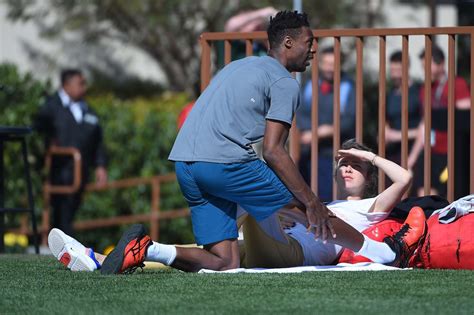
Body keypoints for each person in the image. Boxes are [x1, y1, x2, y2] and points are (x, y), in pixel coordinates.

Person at [48, 11, 424, 274]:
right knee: (305, 210)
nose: (313, 50)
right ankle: (385, 254)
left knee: (225, 261)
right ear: (288, 43)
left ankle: (148, 249)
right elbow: (275, 151)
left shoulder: (240, 65)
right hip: (224, 163)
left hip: (185, 164)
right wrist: (309, 200)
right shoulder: (284, 81)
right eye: (309, 43)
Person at [47, 139, 425, 271]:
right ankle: (109, 257)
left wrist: (368, 155)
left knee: (259, 194)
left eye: (354, 166)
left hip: (292, 252)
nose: (346, 169)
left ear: (370, 176)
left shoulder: (371, 206)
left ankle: (226, 173)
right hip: (272, 241)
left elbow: (405, 179)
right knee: (209, 255)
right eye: (343, 163)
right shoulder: (327, 202)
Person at [34, 69, 107, 236]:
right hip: (58, 173)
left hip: (80, 172)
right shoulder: (50, 107)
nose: (84, 88)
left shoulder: (87, 110)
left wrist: (100, 165)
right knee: (60, 214)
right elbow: (39, 133)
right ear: (67, 85)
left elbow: (98, 141)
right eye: (80, 83)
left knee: (70, 213)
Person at [407, 45, 471, 196]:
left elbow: (466, 118)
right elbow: (425, 124)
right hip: (430, 151)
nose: (425, 72)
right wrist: (412, 157)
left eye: (428, 66)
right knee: (424, 193)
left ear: (441, 64)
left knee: (447, 195)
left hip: (451, 153)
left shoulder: (457, 84)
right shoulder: (426, 89)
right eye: (423, 68)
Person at [296, 46, 356, 202]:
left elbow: (349, 120)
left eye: (333, 64)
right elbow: (300, 111)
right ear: (320, 64)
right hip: (310, 152)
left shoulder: (349, 86)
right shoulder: (310, 84)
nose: (329, 68)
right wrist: (308, 131)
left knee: (331, 200)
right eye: (326, 63)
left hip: (336, 153)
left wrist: (321, 132)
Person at [385, 50, 422, 168]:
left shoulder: (418, 93)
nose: (394, 74)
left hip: (414, 153)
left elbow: (427, 129)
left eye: (398, 70)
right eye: (392, 70)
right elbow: (386, 123)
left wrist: (398, 135)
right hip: (392, 154)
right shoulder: (390, 94)